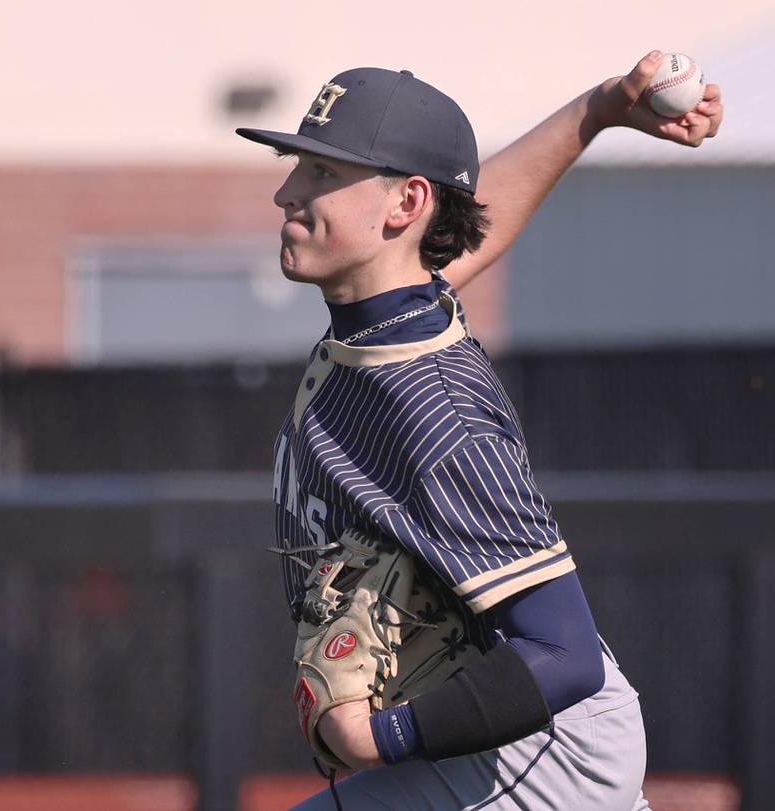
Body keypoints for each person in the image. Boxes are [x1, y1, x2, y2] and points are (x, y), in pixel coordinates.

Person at [236, 52, 723, 810]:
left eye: (322, 174)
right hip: (512, 738)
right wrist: (592, 111)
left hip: (548, 747)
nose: (286, 191)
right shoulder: (394, 318)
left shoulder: (439, 415)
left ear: (405, 205)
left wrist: (379, 740)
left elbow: (564, 655)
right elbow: (462, 232)